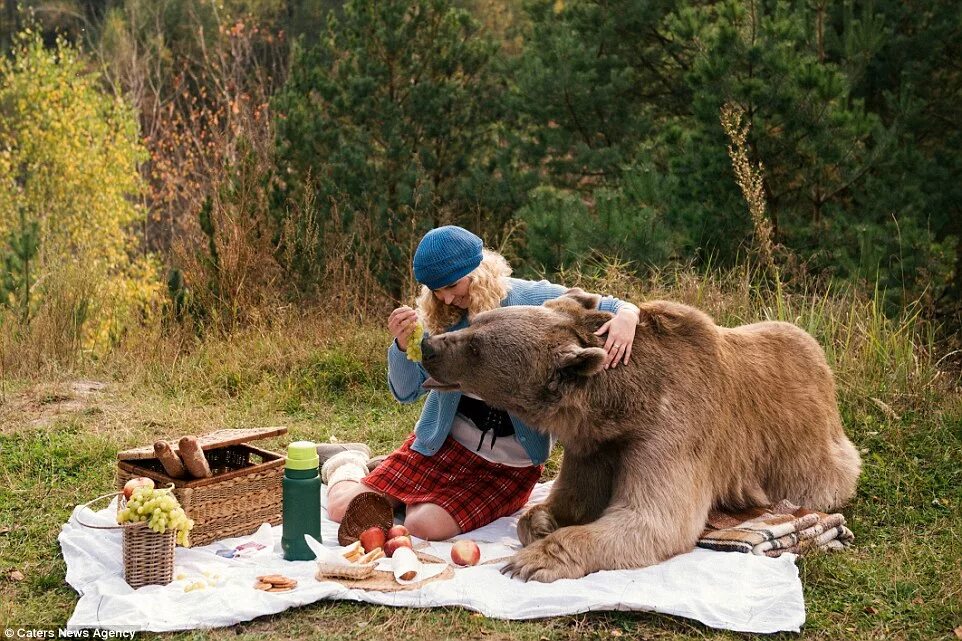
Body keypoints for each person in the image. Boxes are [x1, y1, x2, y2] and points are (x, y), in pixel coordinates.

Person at [324, 226, 640, 541]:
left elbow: (608, 305)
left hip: (505, 466)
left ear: (479, 270)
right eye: (435, 290)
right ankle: (346, 460)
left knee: (423, 526)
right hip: (441, 447)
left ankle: (402, 490)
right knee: (342, 509)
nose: (446, 298)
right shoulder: (438, 316)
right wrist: (402, 347)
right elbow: (406, 393)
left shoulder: (530, 301)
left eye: (452, 285)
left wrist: (628, 314)